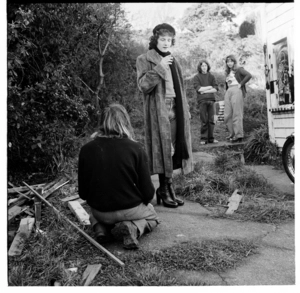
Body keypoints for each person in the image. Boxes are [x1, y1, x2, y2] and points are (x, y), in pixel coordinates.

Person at [78, 104, 160, 250]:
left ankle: (101, 229)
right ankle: (133, 228)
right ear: (125, 122)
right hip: (130, 210)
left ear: (101, 123)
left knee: (93, 215)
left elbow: (83, 194)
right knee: (153, 215)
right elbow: (148, 192)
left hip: (101, 211)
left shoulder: (86, 149)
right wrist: (144, 201)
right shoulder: (136, 149)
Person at [136, 23, 193, 209]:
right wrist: (159, 67)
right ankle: (164, 188)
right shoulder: (144, 59)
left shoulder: (173, 60)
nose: (166, 43)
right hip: (158, 108)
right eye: (163, 39)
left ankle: (167, 188)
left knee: (174, 149)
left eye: (169, 39)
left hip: (176, 107)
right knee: (163, 149)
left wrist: (186, 109)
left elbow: (181, 89)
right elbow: (143, 86)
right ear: (155, 40)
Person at [224, 55, 252, 142]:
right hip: (228, 91)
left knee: (237, 113)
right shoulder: (227, 72)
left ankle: (238, 135)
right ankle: (231, 134)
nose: (229, 63)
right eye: (228, 61)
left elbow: (249, 75)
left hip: (237, 90)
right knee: (227, 114)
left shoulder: (239, 69)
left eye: (231, 61)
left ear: (234, 62)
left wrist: (241, 83)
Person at [193, 59, 219, 145]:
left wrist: (205, 91)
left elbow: (215, 89)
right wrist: (209, 87)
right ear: (200, 67)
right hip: (202, 101)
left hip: (211, 100)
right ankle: (203, 139)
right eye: (202, 66)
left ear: (207, 66)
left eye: (205, 65)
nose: (204, 67)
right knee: (204, 120)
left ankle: (211, 138)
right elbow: (199, 89)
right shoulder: (196, 77)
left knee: (211, 120)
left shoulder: (211, 76)